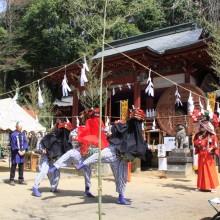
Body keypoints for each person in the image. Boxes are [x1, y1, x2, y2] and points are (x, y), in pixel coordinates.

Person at [77, 108, 154, 205]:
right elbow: (112, 132)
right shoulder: (122, 126)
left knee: (121, 178)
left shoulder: (137, 134)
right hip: (114, 150)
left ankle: (121, 197)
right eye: (135, 120)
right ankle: (82, 164)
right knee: (100, 155)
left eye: (138, 121)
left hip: (123, 159)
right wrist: (109, 133)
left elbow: (141, 144)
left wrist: (149, 147)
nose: (136, 123)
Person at [48, 128, 95, 197]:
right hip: (78, 152)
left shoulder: (94, 130)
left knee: (87, 174)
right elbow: (73, 136)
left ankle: (87, 190)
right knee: (69, 153)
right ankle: (55, 167)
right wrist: (78, 137)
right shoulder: (79, 129)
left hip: (87, 155)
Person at [32, 120, 73, 197]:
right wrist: (42, 150)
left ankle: (54, 188)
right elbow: (41, 145)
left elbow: (66, 148)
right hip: (46, 156)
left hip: (55, 158)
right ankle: (35, 188)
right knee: (43, 171)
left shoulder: (64, 139)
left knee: (56, 174)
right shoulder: (50, 136)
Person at [194, 119, 219, 193]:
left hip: (208, 155)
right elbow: (195, 143)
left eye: (203, 126)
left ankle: (212, 186)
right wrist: (198, 140)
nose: (202, 127)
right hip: (201, 154)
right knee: (201, 171)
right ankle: (200, 186)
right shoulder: (198, 135)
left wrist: (211, 147)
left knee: (210, 170)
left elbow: (215, 143)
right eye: (201, 126)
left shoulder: (211, 135)